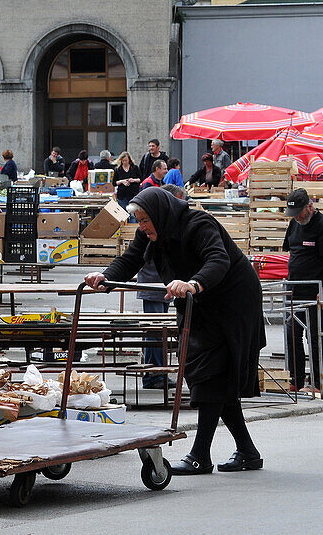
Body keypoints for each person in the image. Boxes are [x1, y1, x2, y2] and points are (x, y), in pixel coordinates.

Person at [86, 187, 265, 475]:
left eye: (145, 221)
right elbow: (131, 260)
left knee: (211, 375)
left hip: (232, 304)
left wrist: (193, 283)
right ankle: (247, 451)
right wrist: (105, 277)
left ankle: (200, 456)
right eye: (140, 221)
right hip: (199, 303)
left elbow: (218, 260)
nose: (142, 227)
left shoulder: (198, 225)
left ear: (160, 214)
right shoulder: (150, 231)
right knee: (217, 377)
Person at [281, 189, 323, 392]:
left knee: (314, 337)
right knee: (292, 336)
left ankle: (318, 382)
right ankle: (296, 380)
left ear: (310, 206)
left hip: (313, 291)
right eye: (294, 214)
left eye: (300, 212)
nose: (297, 217)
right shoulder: (294, 224)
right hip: (293, 290)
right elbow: (292, 253)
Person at [134, 182, 184, 390]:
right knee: (154, 331)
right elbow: (132, 259)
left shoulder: (171, 226)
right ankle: (154, 375)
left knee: (159, 331)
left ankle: (157, 373)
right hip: (153, 285)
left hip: (163, 287)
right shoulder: (152, 228)